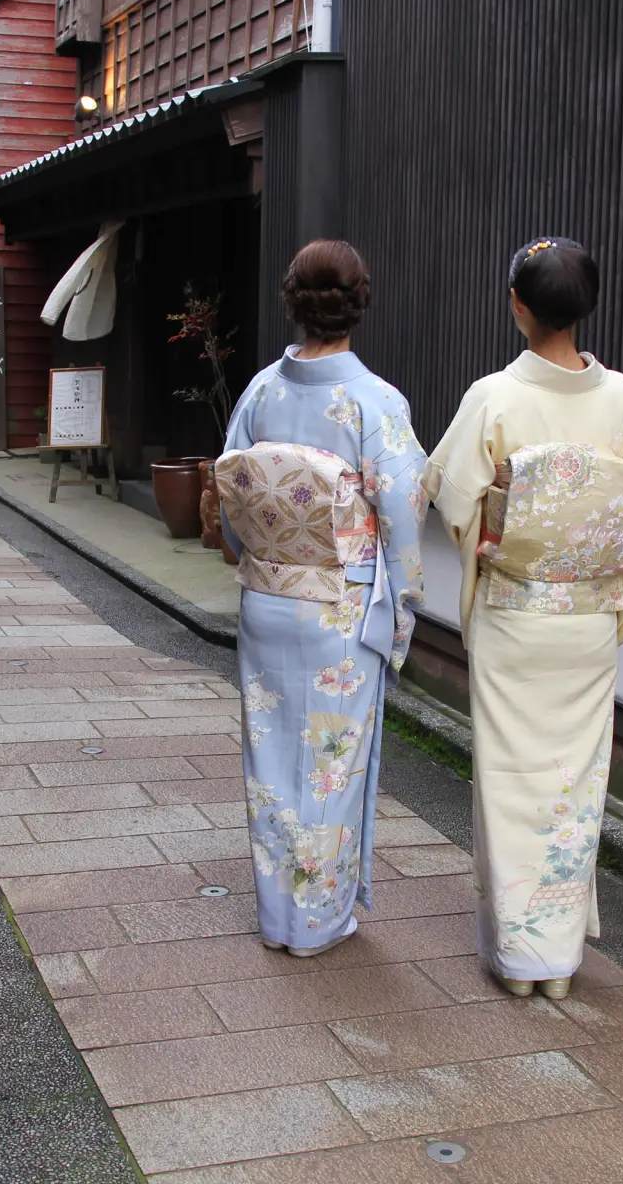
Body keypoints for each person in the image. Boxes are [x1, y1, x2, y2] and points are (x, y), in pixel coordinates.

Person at [421, 237, 623, 999]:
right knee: (574, 782)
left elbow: (452, 498)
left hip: (516, 615)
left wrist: (506, 514)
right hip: (588, 621)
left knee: (511, 780)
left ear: (518, 307)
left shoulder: (493, 396)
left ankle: (520, 958)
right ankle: (557, 962)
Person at [215, 240, 428, 957]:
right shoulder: (375, 402)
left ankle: (279, 917)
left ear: (293, 301)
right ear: (358, 302)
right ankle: (316, 922)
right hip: (340, 610)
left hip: (267, 600)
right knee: (330, 765)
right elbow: (403, 515)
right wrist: (404, 607)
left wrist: (256, 552)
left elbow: (231, 504)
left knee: (273, 762)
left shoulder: (260, 392)